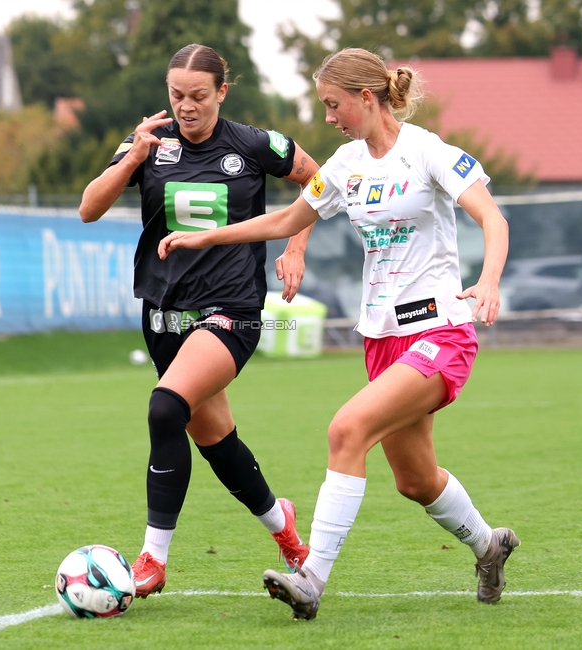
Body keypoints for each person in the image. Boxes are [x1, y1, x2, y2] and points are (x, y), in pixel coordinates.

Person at [159, 48, 518, 619]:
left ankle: (311, 579)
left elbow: (492, 218)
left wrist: (489, 280)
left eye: (333, 104)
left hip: (442, 331)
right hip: (382, 338)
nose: (328, 116)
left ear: (366, 98)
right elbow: (285, 222)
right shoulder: (347, 163)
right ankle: (488, 545)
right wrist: (206, 237)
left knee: (346, 429)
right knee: (415, 480)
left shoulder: (426, 151)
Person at [79, 43, 321, 598]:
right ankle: (284, 528)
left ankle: (153, 560)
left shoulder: (251, 144)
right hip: (163, 316)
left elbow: (320, 181)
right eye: (176, 95)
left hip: (231, 311)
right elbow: (89, 208)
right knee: (216, 442)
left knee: (165, 409)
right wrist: (132, 159)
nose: (185, 107)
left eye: (198, 96)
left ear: (221, 93)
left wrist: (296, 245)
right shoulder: (147, 144)